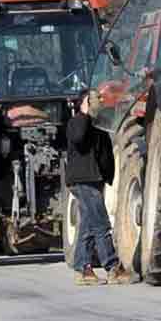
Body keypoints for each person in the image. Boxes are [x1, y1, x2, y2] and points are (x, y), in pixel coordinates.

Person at [66, 91, 130, 286]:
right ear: (85, 103)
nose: (100, 102)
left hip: (94, 179)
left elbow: (104, 153)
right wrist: (84, 113)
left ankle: (83, 269)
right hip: (83, 180)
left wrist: (108, 177)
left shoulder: (98, 124)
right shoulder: (77, 121)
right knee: (101, 224)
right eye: (96, 99)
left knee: (87, 225)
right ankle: (113, 267)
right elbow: (78, 138)